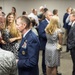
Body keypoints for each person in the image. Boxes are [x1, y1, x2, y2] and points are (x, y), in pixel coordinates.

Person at [38, 10, 53, 75]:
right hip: (45, 43)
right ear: (46, 16)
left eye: (52, 15)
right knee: (45, 58)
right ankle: (44, 71)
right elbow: (41, 34)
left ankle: (51, 70)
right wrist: (50, 37)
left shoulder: (52, 23)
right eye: (50, 15)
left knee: (51, 58)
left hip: (52, 44)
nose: (51, 16)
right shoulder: (43, 23)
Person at [67, 10, 75, 75]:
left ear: (74, 17)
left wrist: (71, 46)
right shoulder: (73, 24)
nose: (69, 18)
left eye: (70, 16)